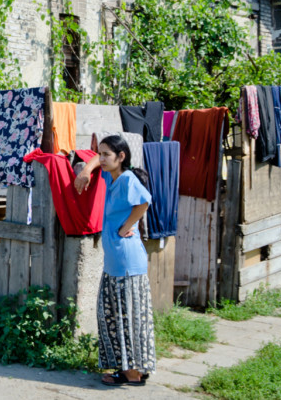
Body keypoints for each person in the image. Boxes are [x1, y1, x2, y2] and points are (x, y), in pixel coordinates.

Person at [74, 133, 155, 386]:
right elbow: (97, 160)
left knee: (125, 316)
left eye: (107, 154)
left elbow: (145, 202)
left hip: (126, 261)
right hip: (117, 262)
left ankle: (132, 374)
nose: (102, 158)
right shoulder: (114, 177)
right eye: (101, 153)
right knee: (116, 315)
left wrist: (127, 226)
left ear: (122, 157)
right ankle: (131, 369)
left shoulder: (127, 178)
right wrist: (88, 169)